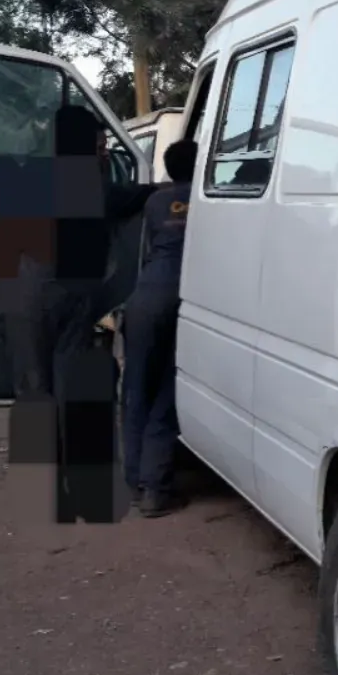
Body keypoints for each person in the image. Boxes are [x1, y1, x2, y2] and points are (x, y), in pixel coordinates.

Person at [0, 103, 156, 523]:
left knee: (37, 391)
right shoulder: (98, 188)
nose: (103, 151)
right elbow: (148, 194)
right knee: (60, 391)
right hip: (65, 300)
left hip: (33, 300)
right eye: (99, 144)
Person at [122, 138, 197, 518]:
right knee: (167, 391)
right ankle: (155, 489)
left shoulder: (154, 202)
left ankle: (134, 480)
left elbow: (145, 249)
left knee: (136, 388)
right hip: (183, 299)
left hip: (144, 299)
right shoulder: (207, 200)